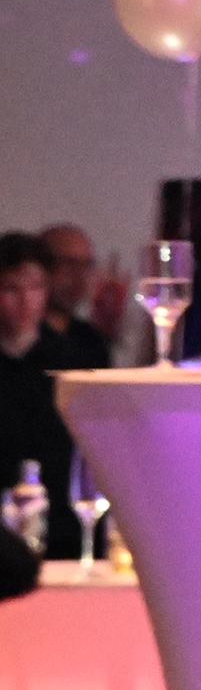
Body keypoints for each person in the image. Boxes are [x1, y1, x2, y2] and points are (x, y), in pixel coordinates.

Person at [0, 233, 81, 559]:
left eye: (35, 288)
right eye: (11, 289)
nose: (25, 301)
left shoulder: (71, 362)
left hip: (61, 528)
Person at [39, 224, 120, 368]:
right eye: (69, 264)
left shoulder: (93, 341)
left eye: (86, 265)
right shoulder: (18, 341)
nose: (80, 275)